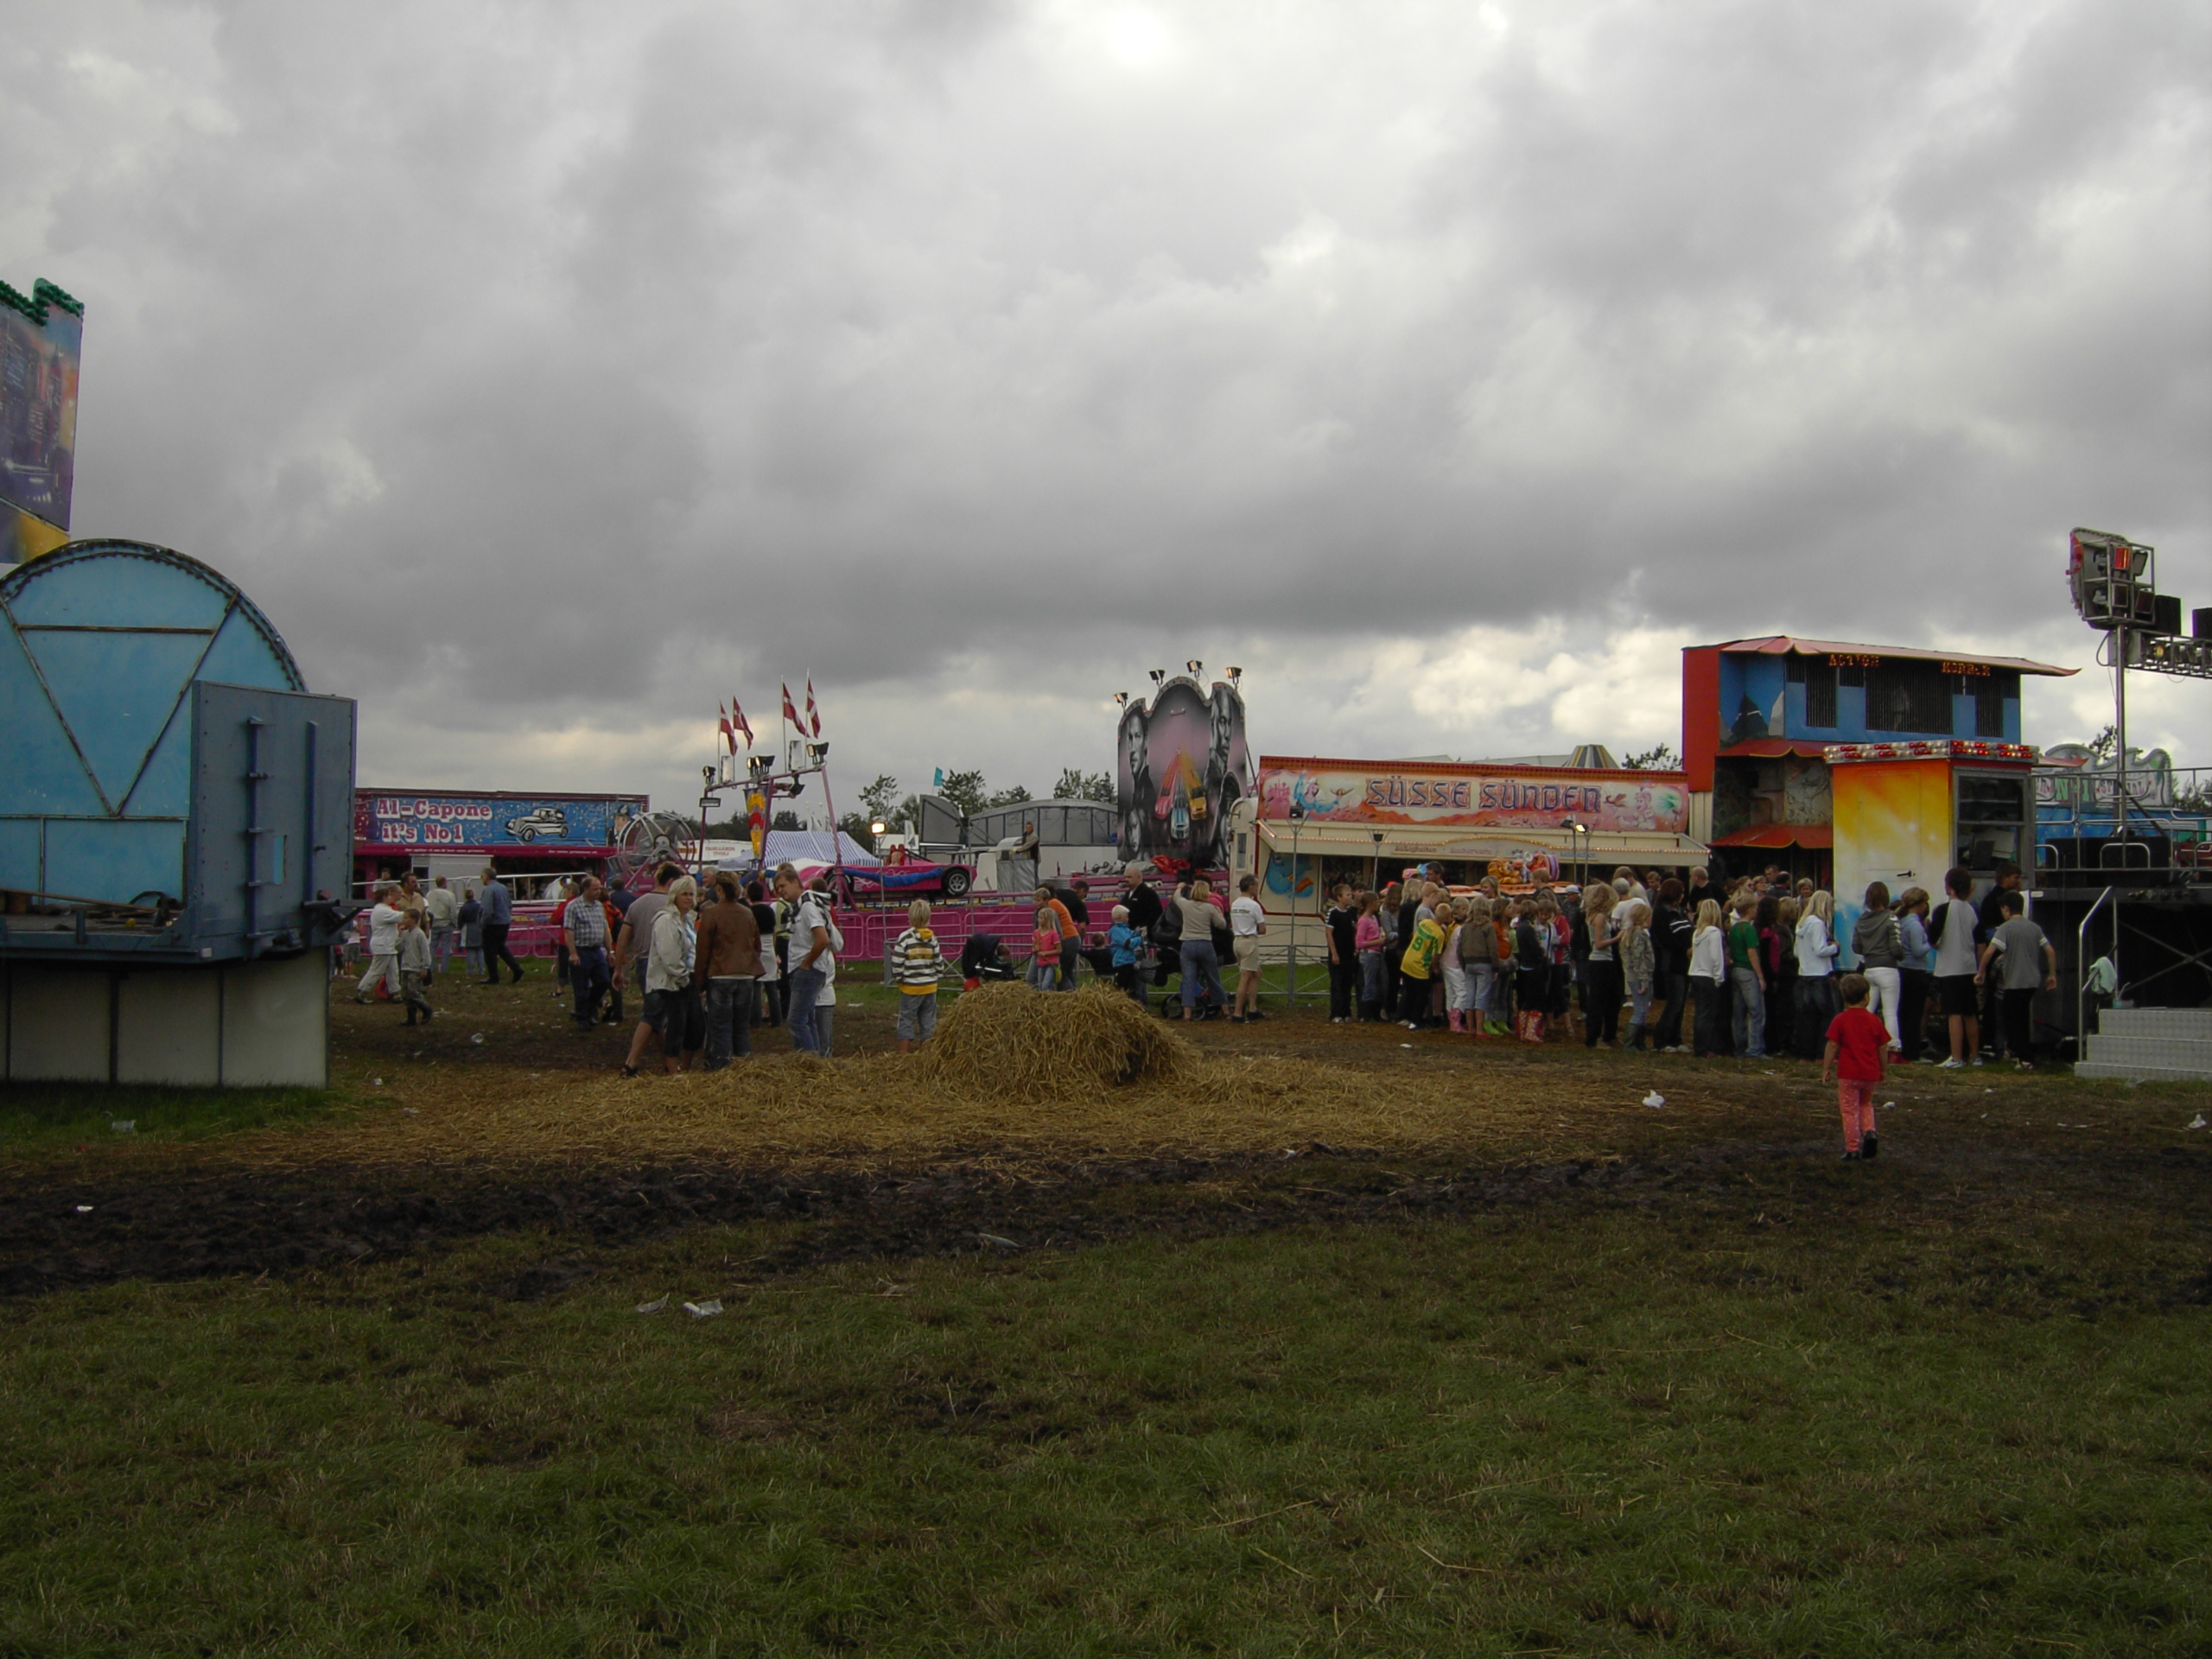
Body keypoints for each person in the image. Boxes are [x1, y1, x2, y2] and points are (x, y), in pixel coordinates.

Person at [630, 874, 702, 1075]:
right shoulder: (665, 920)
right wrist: (683, 977)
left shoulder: (687, 920)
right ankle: (672, 1070)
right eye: (684, 894)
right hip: (673, 981)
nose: (688, 898)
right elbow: (668, 954)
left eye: (691, 894)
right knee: (676, 1025)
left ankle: (685, 1067)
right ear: (674, 896)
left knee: (695, 1025)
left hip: (690, 977)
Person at [1978, 892, 2056, 1071]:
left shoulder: (2005, 928)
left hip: (2014, 981)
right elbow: (2050, 951)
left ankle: (2024, 1057)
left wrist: (1981, 972)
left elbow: (1990, 951)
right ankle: (2023, 1056)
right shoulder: (2034, 927)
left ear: (2006, 909)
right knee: (2022, 1017)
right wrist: (2052, 974)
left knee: (2012, 1021)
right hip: (2032, 980)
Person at [618, 865, 682, 1074]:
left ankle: (669, 1063)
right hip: (661, 965)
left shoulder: (637, 904)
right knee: (653, 1014)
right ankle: (631, 1062)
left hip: (641, 962)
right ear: (671, 882)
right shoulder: (671, 906)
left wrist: (619, 968)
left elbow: (623, 938)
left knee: (658, 1015)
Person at [695, 874, 761, 1070]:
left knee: (720, 1027)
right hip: (745, 974)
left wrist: (700, 980)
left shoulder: (711, 913)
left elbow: (703, 949)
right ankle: (744, 1067)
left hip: (720, 973)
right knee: (741, 1027)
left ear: (719, 890)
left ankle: (722, 1068)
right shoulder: (747, 913)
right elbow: (757, 945)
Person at [1821, 973, 1888, 1160]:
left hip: (1848, 1074)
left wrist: (1826, 1068)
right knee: (1866, 1104)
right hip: (1870, 1073)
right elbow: (1883, 1047)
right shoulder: (1874, 1020)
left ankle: (1852, 1148)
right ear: (1866, 996)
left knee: (1849, 1110)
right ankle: (1869, 1131)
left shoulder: (1840, 1020)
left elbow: (1832, 1045)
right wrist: (1883, 1069)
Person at [1929, 866, 1982, 1068]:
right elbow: (1980, 941)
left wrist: (1928, 929)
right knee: (1970, 1012)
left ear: (1949, 887)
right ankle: (1975, 1055)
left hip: (1949, 967)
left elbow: (1934, 940)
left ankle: (1957, 1057)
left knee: (1954, 1013)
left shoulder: (1942, 910)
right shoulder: (1972, 910)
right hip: (1969, 966)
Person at [777, 862, 833, 1054]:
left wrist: (806, 964)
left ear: (795, 882)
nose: (780, 891)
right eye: (777, 888)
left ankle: (808, 1060)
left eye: (783, 886)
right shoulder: (800, 907)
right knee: (807, 1019)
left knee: (796, 1020)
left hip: (808, 970)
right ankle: (815, 1059)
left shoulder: (807, 907)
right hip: (805, 969)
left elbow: (822, 939)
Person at [1976, 861, 2024, 1058]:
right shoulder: (1995, 901)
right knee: (1995, 1001)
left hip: (1998, 956)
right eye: (2015, 877)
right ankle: (1993, 1040)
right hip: (1997, 957)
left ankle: (1997, 1041)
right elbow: (1987, 933)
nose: (2019, 881)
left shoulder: (1993, 898)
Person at [1851, 881, 1905, 1052]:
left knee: (1867, 1010)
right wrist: (1901, 956)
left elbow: (1856, 947)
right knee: (1890, 1011)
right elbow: (1896, 948)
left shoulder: (1861, 920)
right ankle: (1893, 1046)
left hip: (1869, 969)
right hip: (1888, 969)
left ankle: (1861, 1042)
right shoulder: (1890, 918)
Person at [890, 899, 948, 1052]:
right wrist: (937, 975)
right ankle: (926, 1055)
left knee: (906, 1020)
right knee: (928, 1022)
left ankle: (903, 1055)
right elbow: (939, 962)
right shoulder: (932, 939)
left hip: (910, 988)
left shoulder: (904, 938)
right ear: (928, 917)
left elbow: (897, 962)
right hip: (929, 987)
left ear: (910, 917)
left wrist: (899, 979)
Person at [561, 874, 613, 1033]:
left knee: (603, 981)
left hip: (596, 950)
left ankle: (590, 1006)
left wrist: (610, 950)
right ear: (586, 889)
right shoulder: (573, 907)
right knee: (581, 986)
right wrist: (573, 953)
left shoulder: (599, 906)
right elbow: (569, 931)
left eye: (600, 889)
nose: (598, 892)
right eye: (595, 889)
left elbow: (605, 929)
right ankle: (583, 1018)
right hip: (581, 950)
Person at [1793, 891, 1840, 1060]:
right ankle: (1822, 1052)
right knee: (1827, 1015)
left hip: (1804, 973)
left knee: (1808, 1017)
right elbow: (1820, 950)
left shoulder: (1802, 924)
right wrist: (1834, 947)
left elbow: (1796, 952)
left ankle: (1806, 1053)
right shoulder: (1818, 924)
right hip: (1820, 974)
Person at [1173, 879, 1227, 1020]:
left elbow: (1176, 898)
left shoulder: (1186, 905)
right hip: (1205, 944)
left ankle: (1187, 1014)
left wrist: (1179, 887)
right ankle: (1225, 1010)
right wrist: (1220, 914)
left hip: (1188, 944)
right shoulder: (1210, 908)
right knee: (1213, 978)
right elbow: (1221, 925)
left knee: (1189, 980)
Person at [1651, 879, 1692, 1052]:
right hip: (1671, 963)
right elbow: (1663, 938)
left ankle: (1676, 1038)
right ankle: (1661, 1040)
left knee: (1681, 1003)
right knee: (1674, 1002)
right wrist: (1684, 948)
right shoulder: (1661, 912)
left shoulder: (1680, 911)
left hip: (1685, 963)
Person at [1896, 887, 1936, 1064]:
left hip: (1902, 970)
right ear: (1919, 904)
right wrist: (1930, 942)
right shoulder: (1915, 925)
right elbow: (1918, 951)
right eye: (1925, 903)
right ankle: (1913, 1053)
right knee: (1914, 1015)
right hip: (1915, 971)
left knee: (1904, 1013)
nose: (1926, 907)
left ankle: (1904, 1049)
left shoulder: (1903, 922)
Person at [1579, 885, 1619, 1047]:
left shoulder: (1595, 916)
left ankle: (1607, 1036)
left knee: (1609, 999)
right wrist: (1617, 938)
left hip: (1604, 961)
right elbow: (1599, 943)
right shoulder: (1600, 917)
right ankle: (1594, 1038)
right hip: (1600, 961)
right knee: (1598, 1001)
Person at [1397, 899, 1446, 1033]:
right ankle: (1415, 1021)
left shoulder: (1424, 923)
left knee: (1410, 992)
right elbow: (1436, 954)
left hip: (1408, 959)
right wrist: (1434, 968)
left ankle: (1406, 1017)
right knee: (1422, 995)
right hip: (1420, 965)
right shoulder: (1439, 934)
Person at [1689, 899, 1727, 1058]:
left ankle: (1699, 1046)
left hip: (1695, 974)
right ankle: (1704, 1049)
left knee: (1700, 1013)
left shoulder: (1698, 932)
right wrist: (1719, 977)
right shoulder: (1714, 932)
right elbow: (1716, 957)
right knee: (1708, 1014)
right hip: (1708, 975)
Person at [353, 883, 404, 1003]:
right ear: (384, 897)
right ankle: (362, 991)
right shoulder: (382, 910)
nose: (391, 897)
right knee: (376, 970)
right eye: (389, 895)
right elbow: (401, 916)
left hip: (387, 945)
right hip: (383, 945)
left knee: (393, 971)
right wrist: (413, 913)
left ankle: (395, 993)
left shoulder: (382, 909)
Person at [1459, 896, 1500, 1038]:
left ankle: (1471, 1028)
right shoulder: (1488, 926)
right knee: (1481, 996)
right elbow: (1493, 949)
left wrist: (1464, 964)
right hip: (1484, 964)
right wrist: (1495, 967)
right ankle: (1480, 1029)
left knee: (1469, 996)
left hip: (1469, 963)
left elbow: (1460, 948)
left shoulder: (1465, 927)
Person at [1230, 874, 1268, 1023]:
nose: (1257, 889)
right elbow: (1262, 929)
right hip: (1249, 941)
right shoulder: (1254, 905)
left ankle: (1253, 1008)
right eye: (1256, 886)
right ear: (1251, 886)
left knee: (1256, 973)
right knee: (1245, 977)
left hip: (1237, 940)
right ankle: (1238, 1012)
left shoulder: (1235, 903)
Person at [1619, 899, 1656, 1051]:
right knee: (1640, 1010)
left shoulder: (1632, 933)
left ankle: (1639, 1043)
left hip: (1635, 976)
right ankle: (1630, 1044)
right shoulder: (1639, 936)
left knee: (1642, 1010)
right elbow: (1638, 959)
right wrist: (1644, 980)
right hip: (1639, 977)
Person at [478, 867, 522, 984]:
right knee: (500, 948)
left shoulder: (489, 890)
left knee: (489, 951)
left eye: (482, 876)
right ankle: (516, 968)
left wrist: (482, 924)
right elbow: (509, 905)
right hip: (504, 922)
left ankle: (494, 976)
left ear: (486, 877)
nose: (481, 879)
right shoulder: (503, 888)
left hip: (493, 924)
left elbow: (487, 910)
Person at [1324, 880, 1359, 1024]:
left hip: (1349, 953)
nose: (1350, 897)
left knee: (1347, 983)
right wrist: (1334, 953)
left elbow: (1355, 930)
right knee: (1337, 984)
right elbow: (1329, 933)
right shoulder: (1333, 913)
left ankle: (1346, 1011)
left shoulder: (1351, 913)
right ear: (1339, 897)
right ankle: (1336, 1013)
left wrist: (1356, 947)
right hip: (1338, 953)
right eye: (1347, 895)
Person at [1033, 886, 1079, 991]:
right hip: (1072, 937)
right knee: (1067, 971)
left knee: (1062, 972)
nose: (1035, 903)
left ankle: (1068, 992)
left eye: (1038, 900)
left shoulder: (1051, 906)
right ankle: (1074, 992)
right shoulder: (1055, 903)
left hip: (1067, 938)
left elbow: (1054, 927)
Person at [397, 909, 435, 1025]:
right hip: (405, 966)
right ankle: (411, 1018)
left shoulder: (419, 934)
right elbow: (398, 948)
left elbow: (425, 952)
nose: (404, 920)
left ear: (413, 920)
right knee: (405, 993)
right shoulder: (405, 934)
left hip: (415, 967)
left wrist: (425, 967)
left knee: (414, 992)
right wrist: (400, 935)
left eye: (406, 918)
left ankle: (426, 1009)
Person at [1354, 891, 1387, 1020]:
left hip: (1377, 953)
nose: (1378, 904)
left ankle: (1374, 1012)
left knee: (1377, 983)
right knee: (1369, 983)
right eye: (1376, 901)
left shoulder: (1374, 918)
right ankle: (1366, 1013)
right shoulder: (1364, 920)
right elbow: (1359, 943)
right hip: (1369, 954)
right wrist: (1378, 941)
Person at [1107, 904, 1146, 1004]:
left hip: (1129, 962)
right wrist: (1141, 938)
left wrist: (1138, 932)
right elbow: (1128, 943)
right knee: (1124, 989)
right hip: (1121, 963)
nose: (1128, 918)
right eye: (1126, 916)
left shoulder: (1124, 929)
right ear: (1120, 917)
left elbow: (1131, 935)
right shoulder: (1116, 930)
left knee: (1132, 989)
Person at [424, 876, 461, 976]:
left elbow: (427, 908)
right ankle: (444, 969)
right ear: (444, 883)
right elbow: (453, 910)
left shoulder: (430, 894)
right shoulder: (450, 895)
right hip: (446, 922)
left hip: (433, 923)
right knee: (446, 946)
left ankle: (431, 967)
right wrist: (454, 922)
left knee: (432, 946)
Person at [1027, 906, 1063, 989]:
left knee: (1045, 986)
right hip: (1040, 963)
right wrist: (1035, 949)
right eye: (1038, 917)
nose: (1038, 920)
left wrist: (1046, 953)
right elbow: (1033, 948)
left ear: (1047, 920)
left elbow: (1059, 950)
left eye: (1041, 918)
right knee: (1040, 986)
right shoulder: (1036, 933)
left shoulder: (1053, 933)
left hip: (1051, 963)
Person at [458, 887, 484, 979]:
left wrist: (460, 929)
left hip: (468, 929)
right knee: (480, 950)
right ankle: (481, 970)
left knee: (470, 950)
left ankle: (470, 970)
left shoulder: (464, 908)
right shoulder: (479, 906)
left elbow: (460, 921)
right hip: (479, 928)